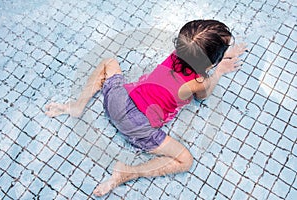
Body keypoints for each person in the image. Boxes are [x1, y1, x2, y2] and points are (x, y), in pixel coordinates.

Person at [45, 19, 247, 196]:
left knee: (109, 63)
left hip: (118, 101)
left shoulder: (180, 52)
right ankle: (127, 172)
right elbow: (204, 96)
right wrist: (219, 70)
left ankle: (77, 106)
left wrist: (220, 55)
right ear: (210, 64)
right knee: (185, 160)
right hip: (138, 126)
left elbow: (199, 53)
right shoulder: (198, 82)